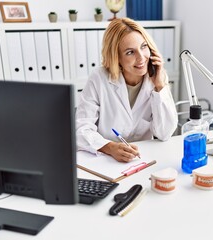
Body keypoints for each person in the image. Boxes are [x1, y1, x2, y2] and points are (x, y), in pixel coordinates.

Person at [76, 18, 178, 163]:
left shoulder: (157, 78)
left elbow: (165, 133)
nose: (141, 58)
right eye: (130, 52)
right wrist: (110, 147)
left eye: (143, 47)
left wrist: (160, 87)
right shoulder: (99, 78)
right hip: (105, 160)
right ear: (116, 58)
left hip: (141, 160)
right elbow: (81, 129)